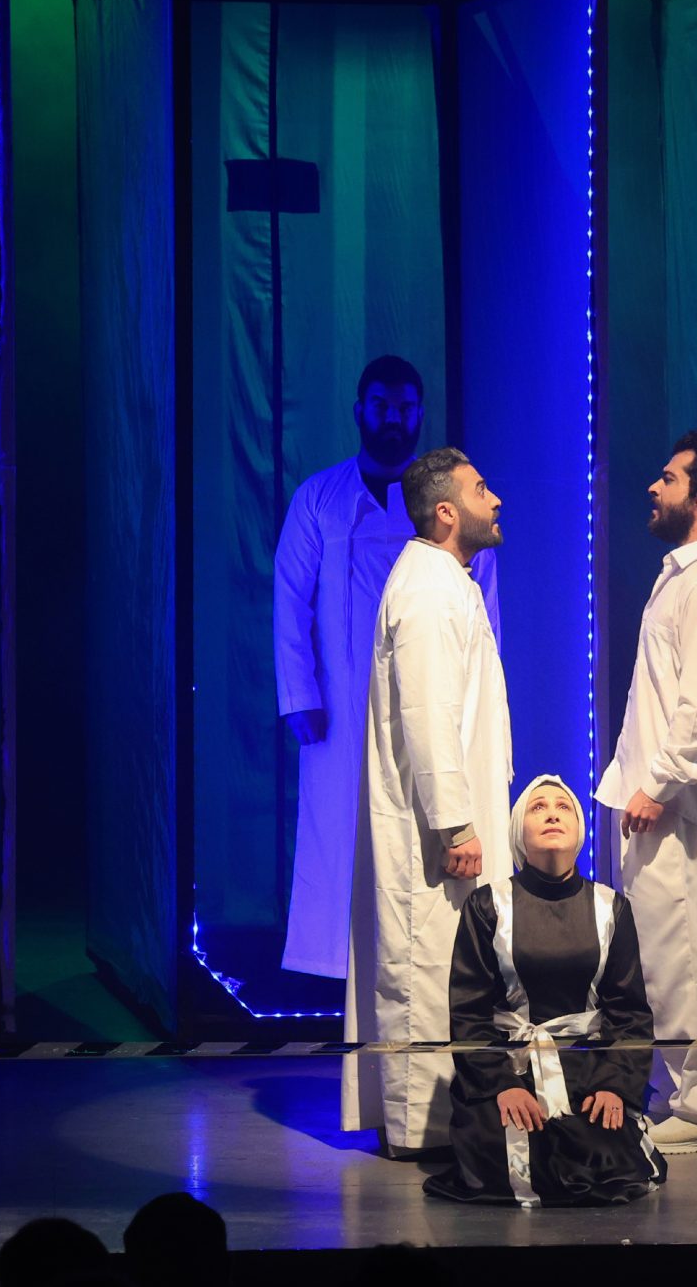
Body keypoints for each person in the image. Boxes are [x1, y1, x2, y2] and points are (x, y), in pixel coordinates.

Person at [274, 357, 501, 979]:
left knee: (421, 822)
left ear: (420, 414)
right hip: (340, 703)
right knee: (339, 827)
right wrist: (299, 694)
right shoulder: (319, 498)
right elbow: (291, 599)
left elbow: (485, 606)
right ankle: (340, 966)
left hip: (430, 692)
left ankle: (429, 966)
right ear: (360, 410)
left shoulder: (447, 507)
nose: (393, 418)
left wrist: (483, 694)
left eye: (404, 407)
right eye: (381, 405)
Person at [596, 429, 697, 1155]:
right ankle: (677, 1095)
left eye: (668, 478)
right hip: (657, 801)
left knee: (689, 954)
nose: (652, 486)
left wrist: (661, 783)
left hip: (682, 807)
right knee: (663, 960)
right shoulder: (684, 576)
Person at [345, 448, 512, 1157]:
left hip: (451, 822)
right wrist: (455, 824)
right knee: (427, 966)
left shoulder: (448, 582)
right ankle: (421, 1127)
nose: (495, 499)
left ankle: (438, 1119)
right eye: (481, 489)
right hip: (435, 833)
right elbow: (427, 714)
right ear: (446, 511)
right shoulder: (428, 589)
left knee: (449, 965)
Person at [425, 776, 666, 1207]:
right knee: (501, 1155)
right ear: (519, 831)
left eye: (563, 807)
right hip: (509, 1067)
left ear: (580, 831)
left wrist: (615, 1085)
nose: (552, 814)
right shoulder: (487, 905)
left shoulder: (611, 907)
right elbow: (469, 1012)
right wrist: (502, 1085)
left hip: (588, 1071)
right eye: (538, 807)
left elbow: (629, 1011)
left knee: (604, 1155)